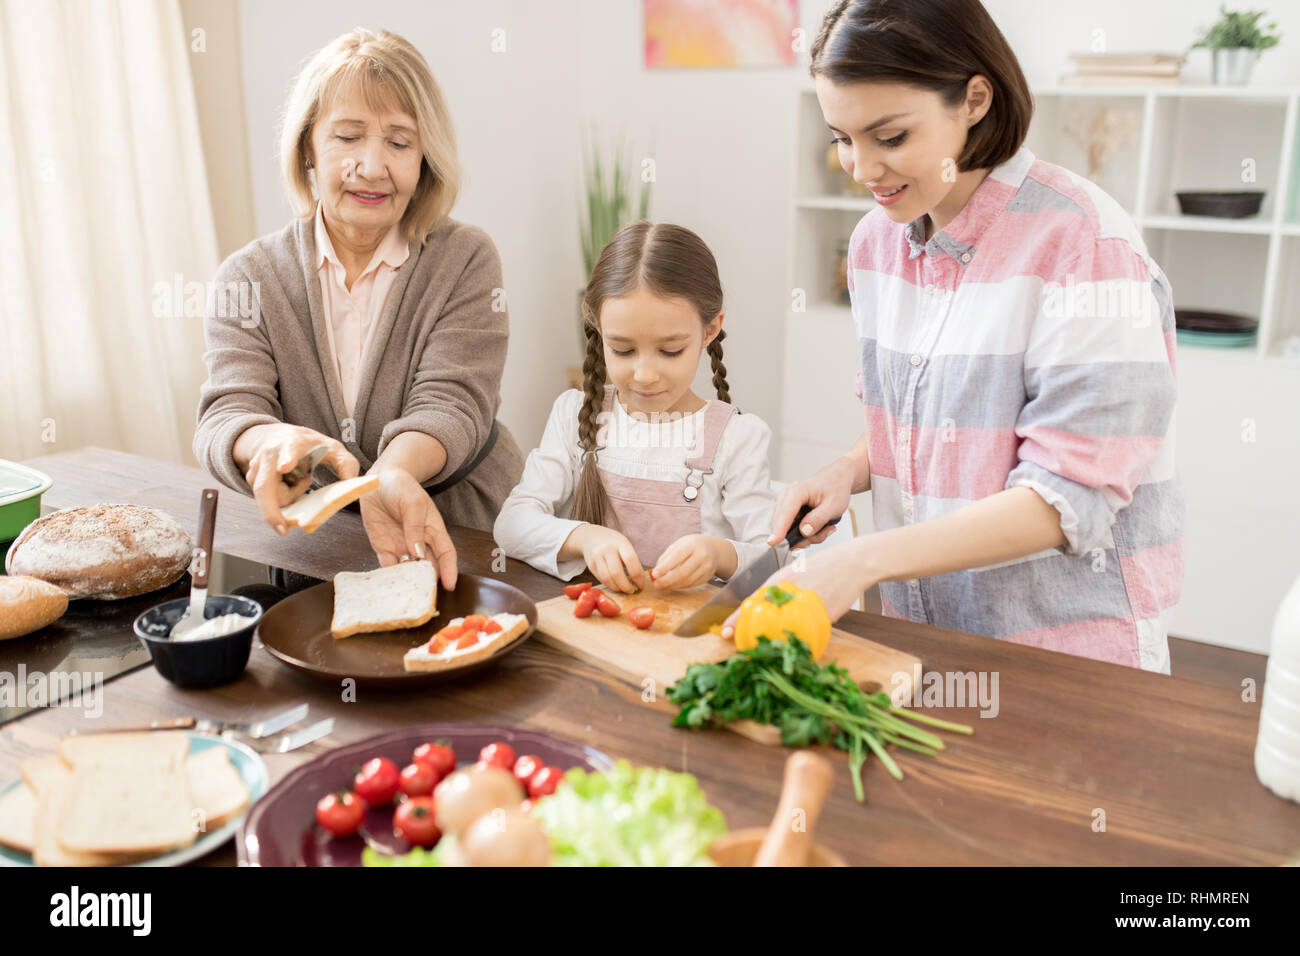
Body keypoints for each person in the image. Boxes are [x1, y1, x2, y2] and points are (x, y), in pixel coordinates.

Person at [733, 0, 1184, 672]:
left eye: (889, 138)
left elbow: (1064, 500)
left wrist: (859, 562)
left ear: (974, 98)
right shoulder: (875, 246)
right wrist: (846, 471)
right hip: (930, 640)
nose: (860, 168)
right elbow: (922, 417)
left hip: (1066, 657)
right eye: (841, 138)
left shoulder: (1084, 244)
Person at [194, 28, 523, 590]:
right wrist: (267, 443)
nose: (373, 166)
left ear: (425, 158)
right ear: (307, 147)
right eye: (348, 137)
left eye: (400, 142)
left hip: (465, 534)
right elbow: (227, 412)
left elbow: (452, 402)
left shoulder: (465, 259)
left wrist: (391, 475)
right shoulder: (247, 277)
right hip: (318, 549)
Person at [493, 221, 784, 594]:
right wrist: (587, 538)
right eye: (623, 350)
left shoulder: (738, 437)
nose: (645, 375)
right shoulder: (574, 413)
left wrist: (720, 554)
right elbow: (511, 525)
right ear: (598, 327)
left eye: (670, 350)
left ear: (710, 330)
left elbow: (775, 561)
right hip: (597, 630)